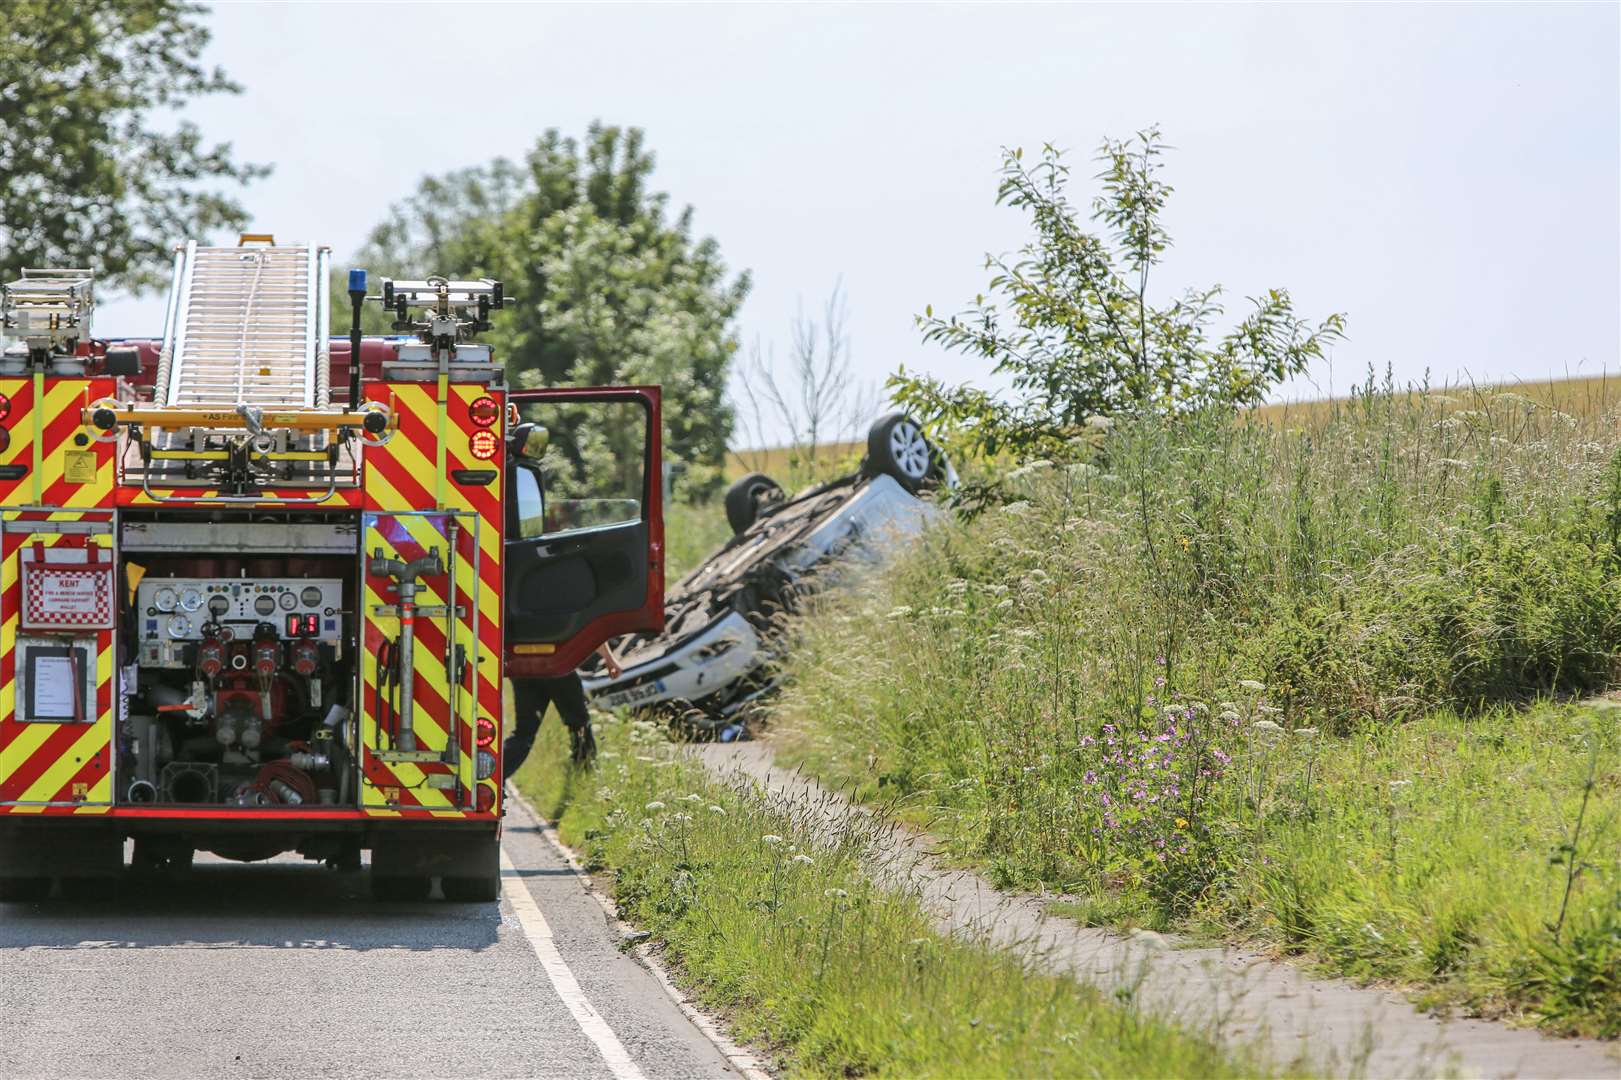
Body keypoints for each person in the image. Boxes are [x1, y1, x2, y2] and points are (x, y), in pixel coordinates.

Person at [504, 641, 622, 779]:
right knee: (579, 725)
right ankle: (584, 775)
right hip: (558, 666)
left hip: (523, 669)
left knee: (524, 733)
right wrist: (609, 658)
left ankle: (492, 775)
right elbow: (586, 622)